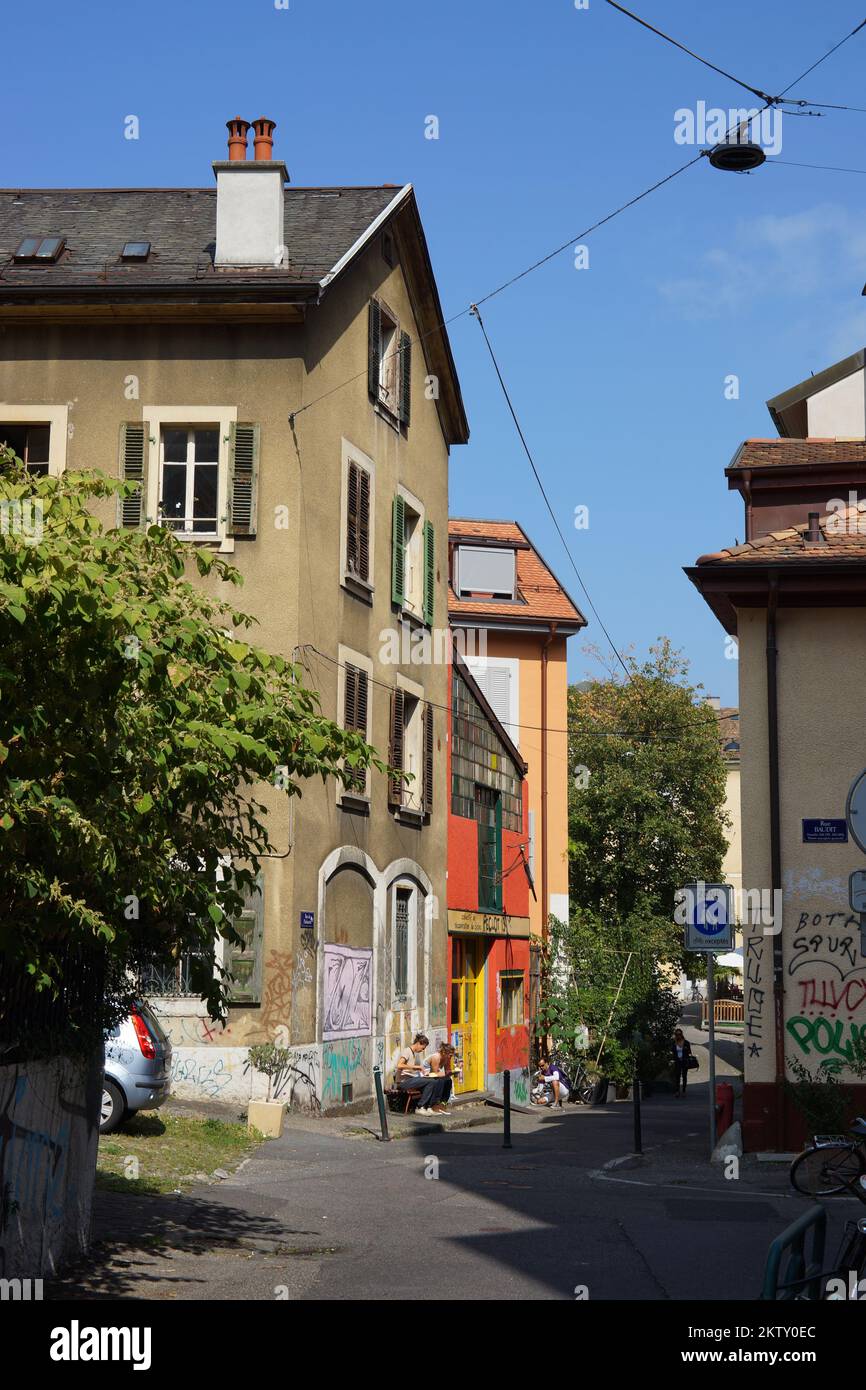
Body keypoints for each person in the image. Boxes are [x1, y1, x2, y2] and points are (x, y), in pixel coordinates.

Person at [395, 1033, 446, 1116]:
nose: (422, 1051)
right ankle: (420, 1107)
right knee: (431, 1082)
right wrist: (416, 1067)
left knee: (435, 1081)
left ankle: (428, 1107)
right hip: (403, 1082)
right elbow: (399, 1065)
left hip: (411, 1080)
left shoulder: (414, 1054)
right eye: (423, 1048)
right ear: (418, 1043)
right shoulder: (407, 1051)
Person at [425, 1041, 459, 1112]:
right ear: (444, 1052)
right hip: (426, 1075)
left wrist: (454, 1073)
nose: (451, 1057)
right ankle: (435, 1103)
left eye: (452, 1055)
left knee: (448, 1080)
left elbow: (447, 1071)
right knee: (440, 1081)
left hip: (433, 1075)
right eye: (450, 1055)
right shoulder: (436, 1057)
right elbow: (435, 1073)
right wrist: (448, 1073)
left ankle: (443, 1102)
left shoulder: (447, 1059)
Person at [672, 1028, 693, 1096]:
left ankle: (683, 1090)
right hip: (677, 1061)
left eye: (679, 1034)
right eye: (676, 1034)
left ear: (682, 1035)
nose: (678, 1036)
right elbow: (672, 1051)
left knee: (684, 1076)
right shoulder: (674, 1043)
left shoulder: (686, 1043)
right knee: (677, 1076)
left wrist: (686, 1051)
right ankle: (677, 1091)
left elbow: (689, 1052)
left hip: (684, 1061)